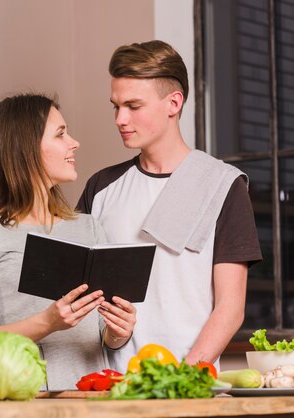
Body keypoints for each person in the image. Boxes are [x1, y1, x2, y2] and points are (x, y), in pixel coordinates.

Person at [76, 40, 262, 372]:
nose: (121, 118)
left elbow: (230, 309)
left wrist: (182, 382)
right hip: (112, 391)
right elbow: (80, 297)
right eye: (115, 106)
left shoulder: (224, 186)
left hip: (191, 388)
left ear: (173, 103)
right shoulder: (100, 188)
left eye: (133, 105)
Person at [0, 93, 137, 390]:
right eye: (61, 134)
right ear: (26, 148)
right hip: (25, 403)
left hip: (92, 402)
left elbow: (104, 334)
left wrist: (118, 331)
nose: (74, 143)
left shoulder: (88, 227)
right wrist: (48, 322)